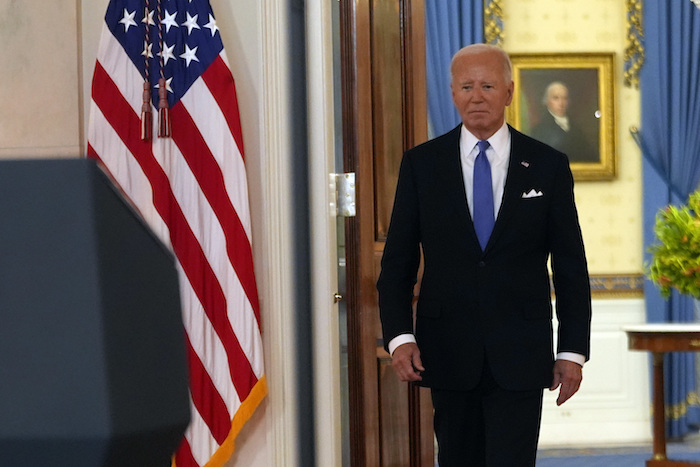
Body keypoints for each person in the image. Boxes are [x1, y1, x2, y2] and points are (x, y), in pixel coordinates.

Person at [377, 44, 591, 466]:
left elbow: (569, 266)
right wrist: (399, 337)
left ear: (509, 92)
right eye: (467, 86)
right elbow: (397, 262)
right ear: (453, 94)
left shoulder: (547, 165)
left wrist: (571, 351)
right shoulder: (422, 165)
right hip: (447, 352)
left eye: (488, 85)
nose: (477, 96)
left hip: (522, 356)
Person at [530, 81, 598, 163]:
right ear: (546, 101)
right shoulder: (539, 130)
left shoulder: (576, 129)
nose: (561, 103)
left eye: (564, 98)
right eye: (556, 98)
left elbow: (589, 156)